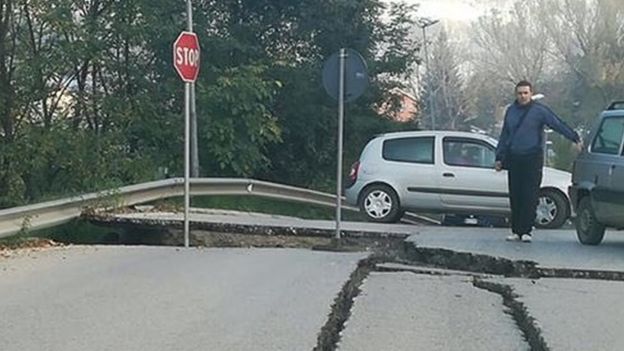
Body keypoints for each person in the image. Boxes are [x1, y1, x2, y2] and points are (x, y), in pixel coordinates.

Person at [495, 80, 582, 243]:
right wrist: (499, 157)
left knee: (530, 194)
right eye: (520, 93)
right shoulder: (511, 111)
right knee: (515, 195)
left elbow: (557, 123)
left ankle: (526, 231)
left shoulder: (539, 111)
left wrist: (574, 137)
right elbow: (505, 135)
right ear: (516, 94)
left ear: (531, 93)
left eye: (525, 93)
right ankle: (516, 231)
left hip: (532, 157)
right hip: (515, 157)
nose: (522, 96)